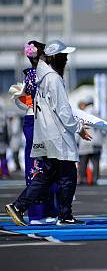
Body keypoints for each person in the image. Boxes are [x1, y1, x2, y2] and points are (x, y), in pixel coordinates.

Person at [5, 40, 92, 226]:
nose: (66, 59)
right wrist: (78, 129)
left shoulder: (40, 76)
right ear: (54, 57)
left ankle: (19, 206)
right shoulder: (53, 78)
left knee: (47, 174)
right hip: (57, 133)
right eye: (64, 56)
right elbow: (62, 110)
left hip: (45, 131)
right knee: (68, 174)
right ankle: (64, 215)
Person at [8, 41, 61, 224]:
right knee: (43, 165)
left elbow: (22, 102)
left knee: (40, 165)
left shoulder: (31, 75)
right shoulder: (45, 75)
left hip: (33, 119)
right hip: (41, 120)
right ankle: (41, 212)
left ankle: (41, 212)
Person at [77, 96, 104, 185]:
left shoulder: (83, 113)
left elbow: (79, 127)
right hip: (97, 141)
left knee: (83, 162)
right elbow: (103, 129)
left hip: (85, 141)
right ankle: (94, 179)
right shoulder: (98, 113)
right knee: (95, 162)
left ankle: (83, 179)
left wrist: (77, 141)